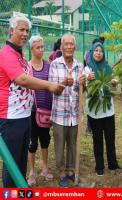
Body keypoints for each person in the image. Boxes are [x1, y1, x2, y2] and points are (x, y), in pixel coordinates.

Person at [0, 14, 65, 188]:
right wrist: (50, 85)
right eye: (21, 29)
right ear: (11, 30)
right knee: (12, 164)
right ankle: (9, 194)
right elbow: (22, 80)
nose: (24, 33)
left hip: (24, 117)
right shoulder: (7, 54)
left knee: (20, 162)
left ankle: (19, 191)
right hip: (11, 119)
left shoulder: (19, 55)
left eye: (27, 30)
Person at [48, 33, 86, 187]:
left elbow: (80, 90)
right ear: (62, 47)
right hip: (59, 114)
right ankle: (61, 172)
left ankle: (71, 171)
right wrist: (64, 83)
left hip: (74, 114)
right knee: (60, 144)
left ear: (75, 47)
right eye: (66, 44)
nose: (69, 47)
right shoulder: (55, 64)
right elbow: (54, 90)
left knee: (73, 143)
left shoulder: (80, 66)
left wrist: (83, 83)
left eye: (72, 44)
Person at [85, 42, 122, 176]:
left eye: (101, 51)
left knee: (110, 138)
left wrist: (114, 83)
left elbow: (113, 88)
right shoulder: (88, 69)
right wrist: (88, 79)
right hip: (95, 111)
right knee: (98, 139)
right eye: (96, 50)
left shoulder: (107, 68)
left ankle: (113, 164)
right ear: (92, 52)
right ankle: (99, 166)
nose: (98, 53)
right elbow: (84, 87)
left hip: (108, 109)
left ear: (103, 53)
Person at [27, 36, 53, 186]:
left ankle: (44, 167)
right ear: (31, 49)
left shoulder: (49, 66)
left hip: (46, 112)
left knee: (45, 140)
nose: (41, 49)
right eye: (38, 47)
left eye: (42, 47)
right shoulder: (27, 67)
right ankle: (31, 171)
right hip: (31, 111)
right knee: (32, 143)